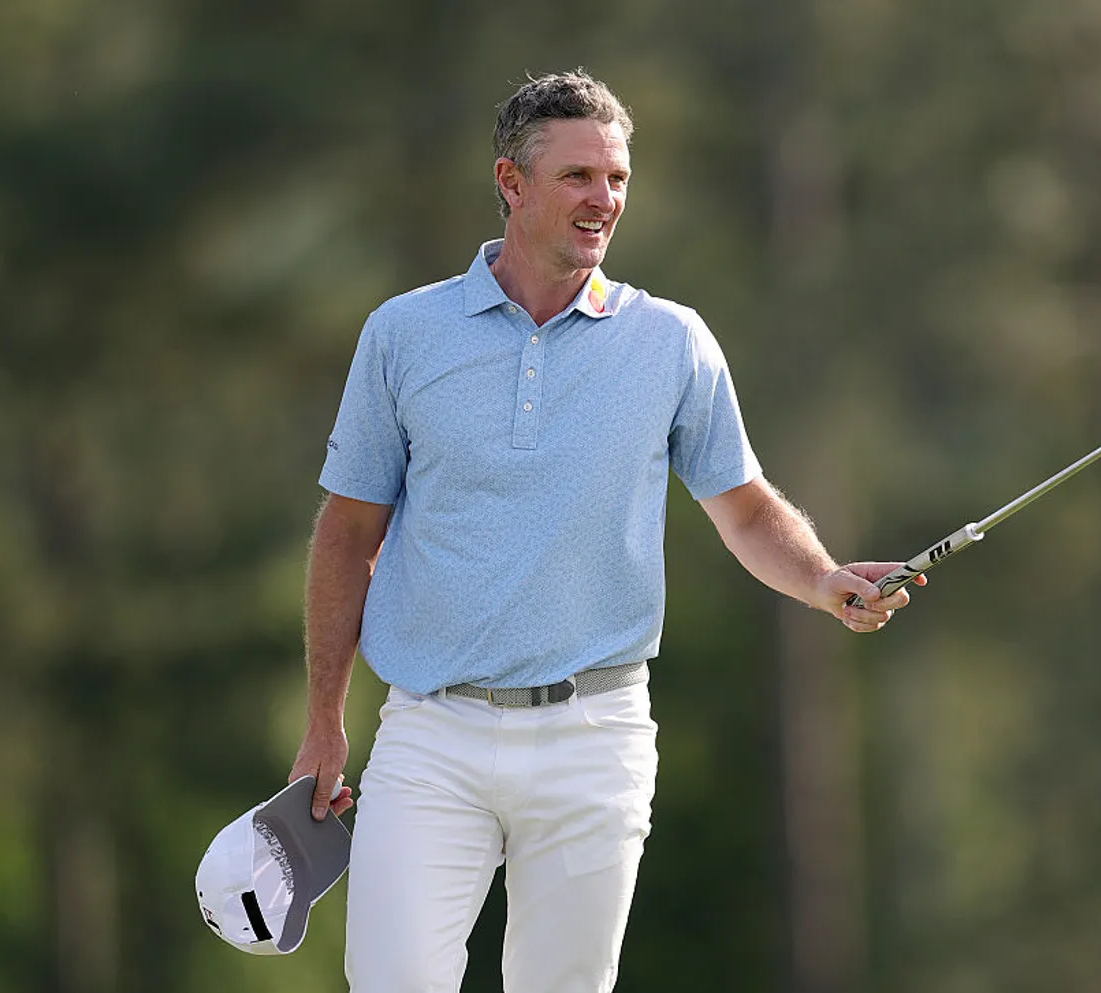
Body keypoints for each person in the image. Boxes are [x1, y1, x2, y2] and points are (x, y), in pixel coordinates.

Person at [289, 69, 924, 993]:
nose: (605, 199)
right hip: (431, 731)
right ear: (511, 182)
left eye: (618, 178)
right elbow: (347, 533)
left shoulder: (671, 341)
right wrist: (323, 721)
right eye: (579, 176)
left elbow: (745, 507)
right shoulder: (404, 335)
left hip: (595, 734)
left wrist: (824, 580)